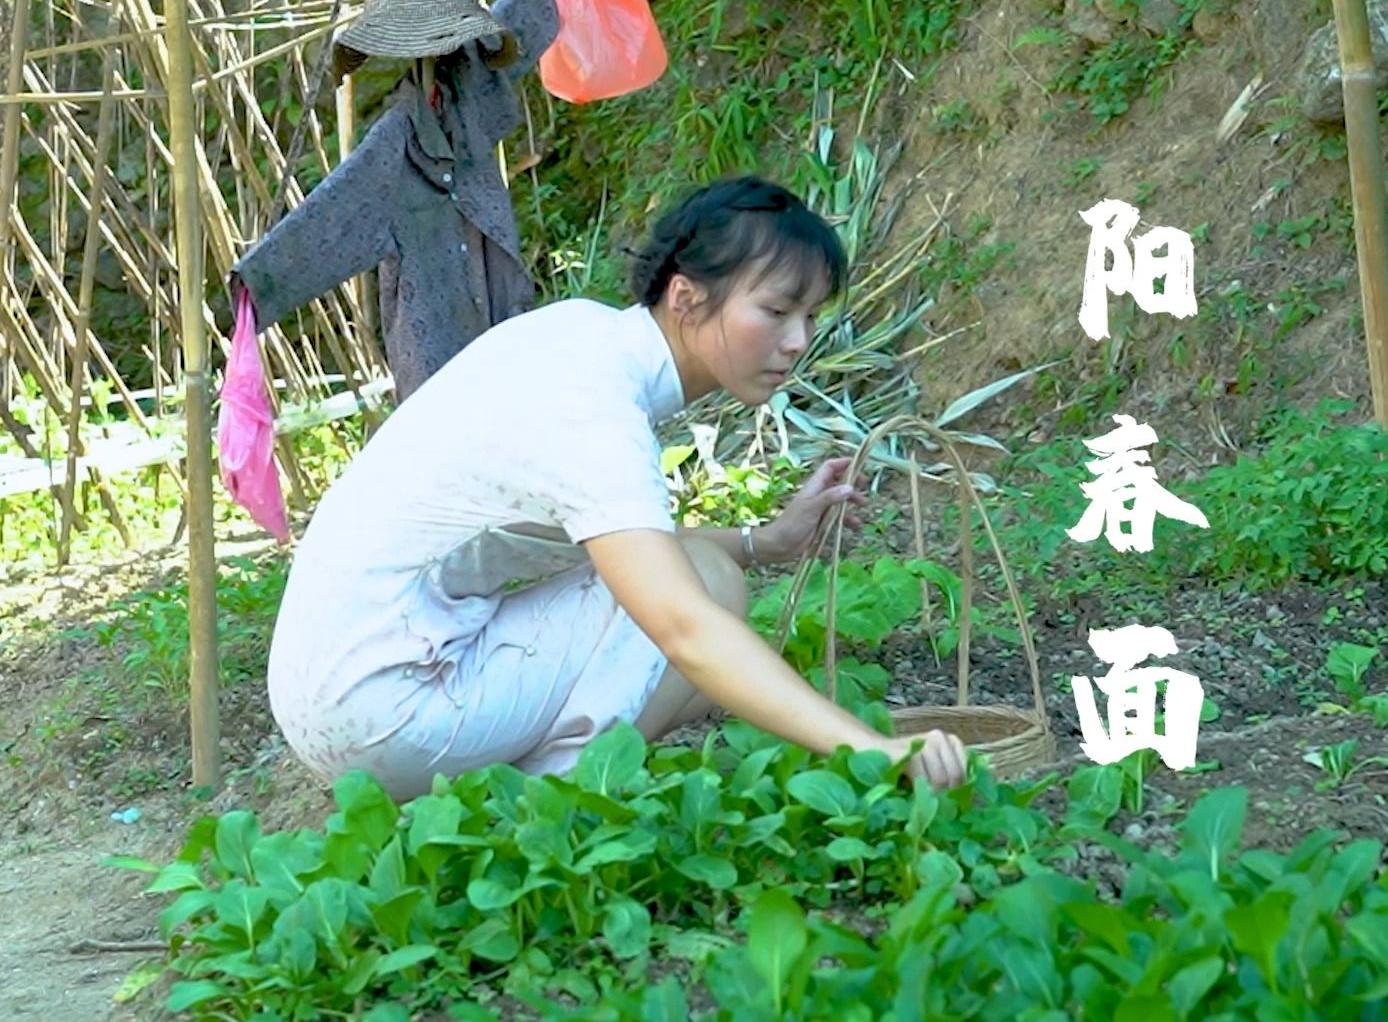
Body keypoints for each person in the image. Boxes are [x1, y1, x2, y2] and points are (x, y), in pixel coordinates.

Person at [266, 176, 968, 801]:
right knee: (707, 593)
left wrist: (768, 541)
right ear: (687, 298)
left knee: (705, 609)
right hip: (385, 710)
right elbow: (683, 624)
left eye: (810, 318)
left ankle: (517, 776)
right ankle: (553, 800)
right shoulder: (595, 408)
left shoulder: (579, 338)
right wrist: (872, 751)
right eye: (777, 312)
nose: (797, 341)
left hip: (335, 691)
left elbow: (614, 550)